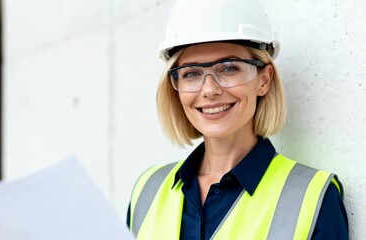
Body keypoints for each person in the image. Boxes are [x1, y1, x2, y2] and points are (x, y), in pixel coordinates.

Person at [127, 0, 349, 239]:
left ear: (263, 80)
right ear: (176, 86)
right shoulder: (146, 192)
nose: (209, 89)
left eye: (229, 68)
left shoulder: (312, 198)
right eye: (191, 73)